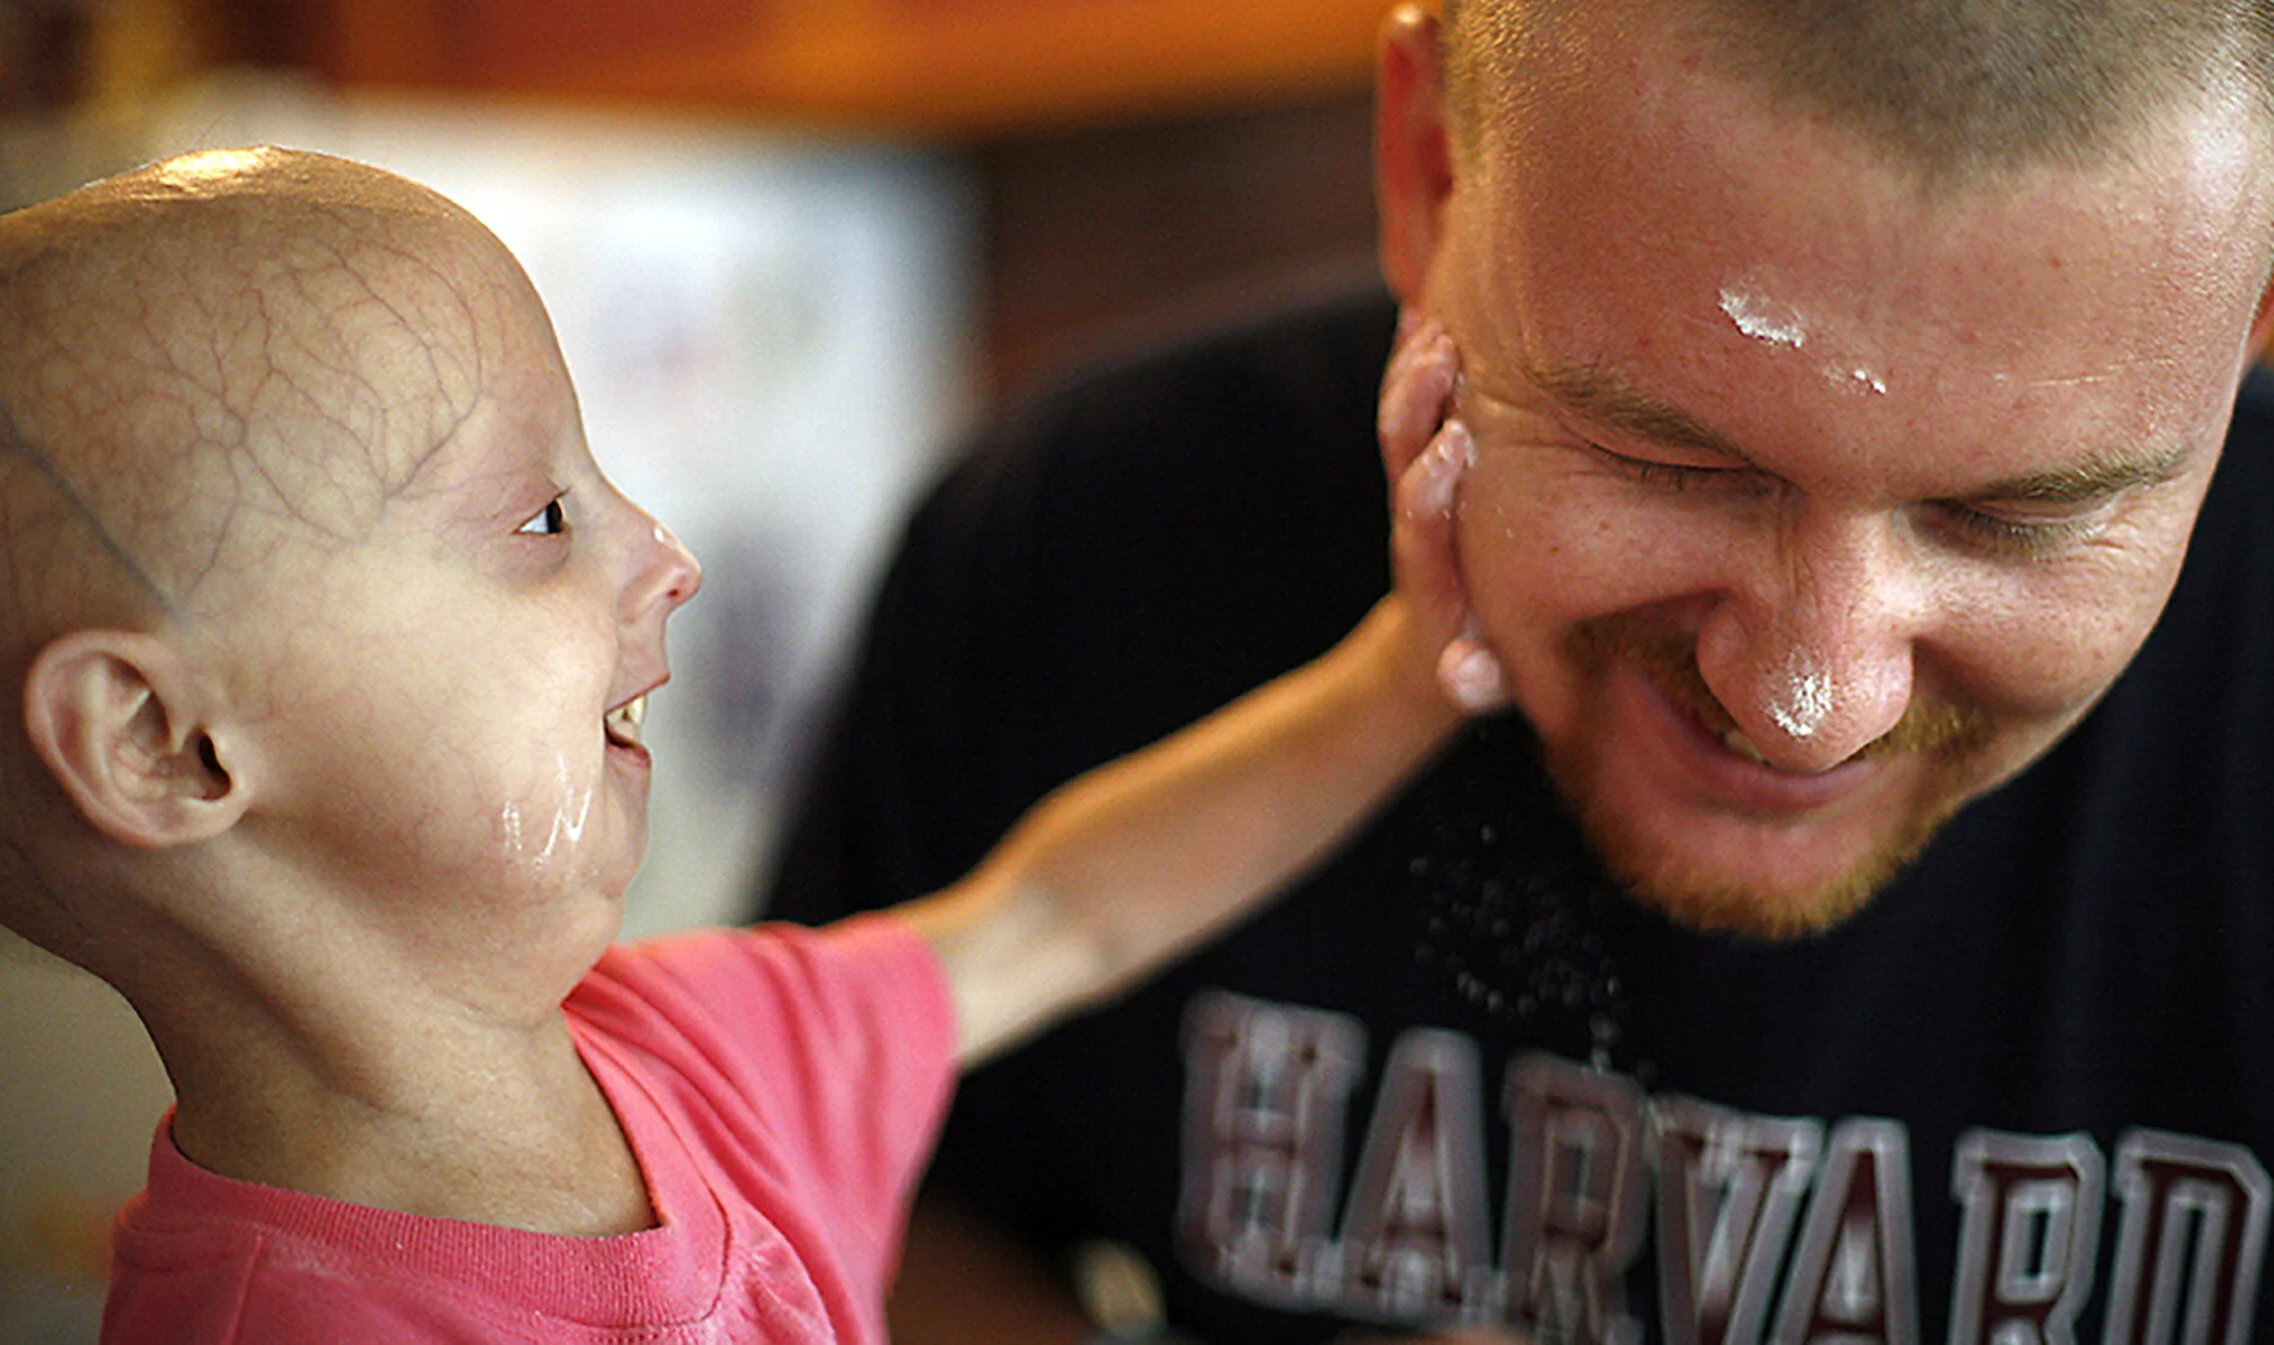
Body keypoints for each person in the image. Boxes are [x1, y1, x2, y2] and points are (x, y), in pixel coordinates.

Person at [764, 0, 2274, 1341]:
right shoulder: (1080, 538)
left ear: (2253, 304)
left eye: (2010, 519)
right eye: (1674, 464)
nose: (1808, 697)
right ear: (1431, 173)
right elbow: (796, 1211)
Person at [0, 146, 1502, 1344]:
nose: (666, 552)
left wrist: (1410, 671)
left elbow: (1063, 908)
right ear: (163, 743)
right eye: (539, 518)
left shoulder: (702, 1057)